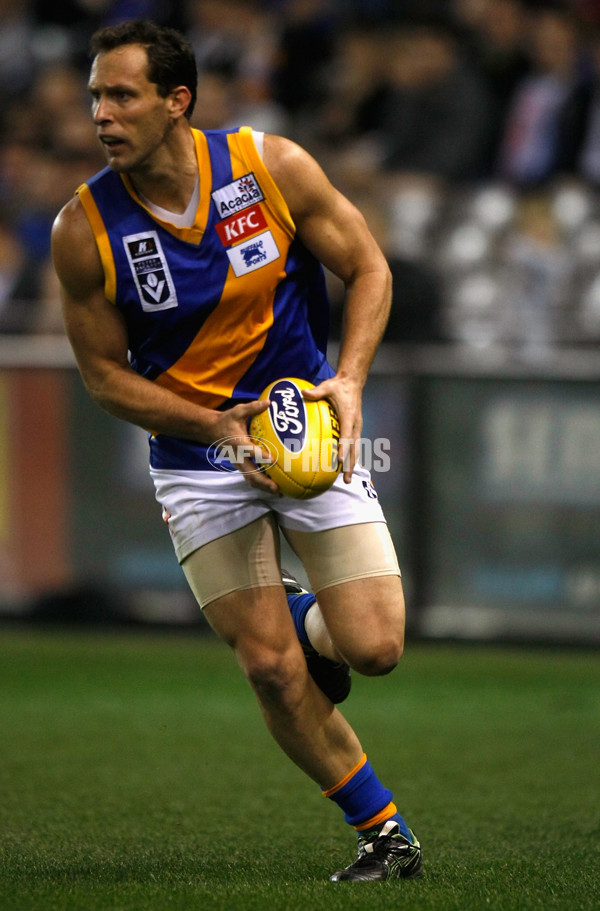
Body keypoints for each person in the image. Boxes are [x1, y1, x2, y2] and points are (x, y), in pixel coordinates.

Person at [51, 19, 422, 883]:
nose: (101, 114)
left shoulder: (270, 166)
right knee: (266, 667)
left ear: (177, 101)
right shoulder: (84, 228)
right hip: (198, 458)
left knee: (374, 648)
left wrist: (352, 380)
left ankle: (301, 614)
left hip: (308, 432)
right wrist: (218, 427)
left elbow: (369, 268)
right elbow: (104, 376)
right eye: (96, 96)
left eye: (122, 95)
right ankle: (384, 831)